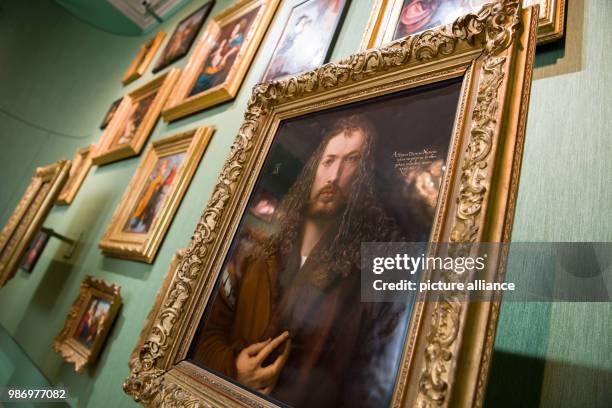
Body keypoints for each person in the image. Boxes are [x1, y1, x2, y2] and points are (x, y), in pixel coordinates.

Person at [191, 116, 407, 407]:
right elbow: (202, 331)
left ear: (365, 175)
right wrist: (233, 368)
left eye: (351, 160)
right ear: (315, 168)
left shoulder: (366, 274)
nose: (334, 176)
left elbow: (371, 378)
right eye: (328, 161)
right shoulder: (255, 253)